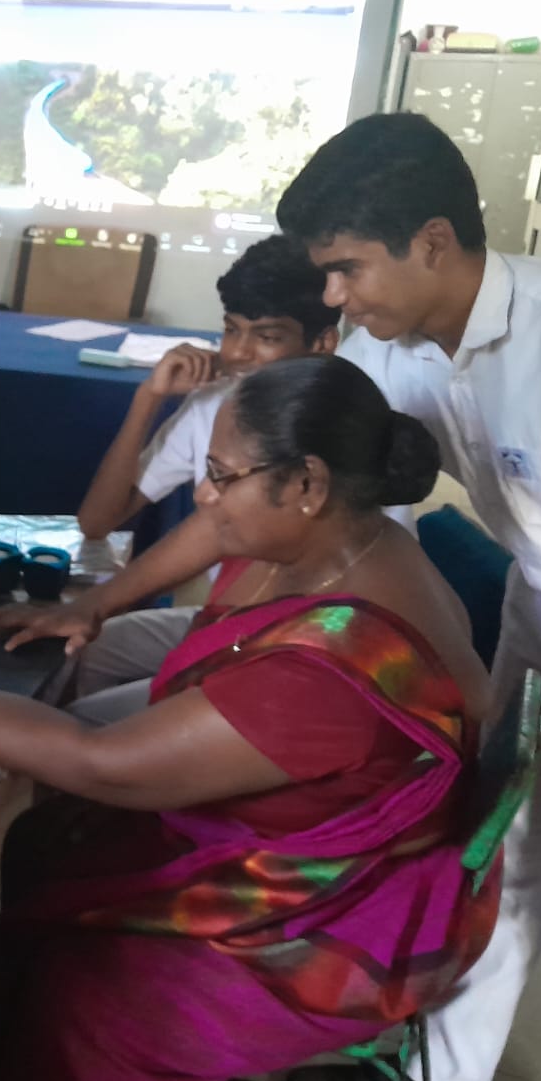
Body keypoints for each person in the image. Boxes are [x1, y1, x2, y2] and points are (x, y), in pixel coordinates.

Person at [0, 355, 495, 1081]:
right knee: (44, 844)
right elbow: (214, 528)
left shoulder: (335, 664)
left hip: (327, 914)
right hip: (311, 841)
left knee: (86, 992)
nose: (204, 494)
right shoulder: (341, 535)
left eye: (221, 475)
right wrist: (91, 608)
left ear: (307, 483)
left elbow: (102, 766)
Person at [262, 113, 541, 1081]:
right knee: (501, 862)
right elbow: (325, 496)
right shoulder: (394, 356)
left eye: (345, 269)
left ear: (431, 241)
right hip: (539, 610)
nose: (333, 298)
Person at [69, 235, 341, 721]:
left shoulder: (341, 426)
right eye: (231, 330)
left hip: (307, 648)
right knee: (77, 651)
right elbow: (97, 522)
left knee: (85, 725)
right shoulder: (214, 404)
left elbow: (221, 535)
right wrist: (148, 398)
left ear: (322, 344)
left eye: (267, 337)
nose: (239, 353)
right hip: (228, 622)